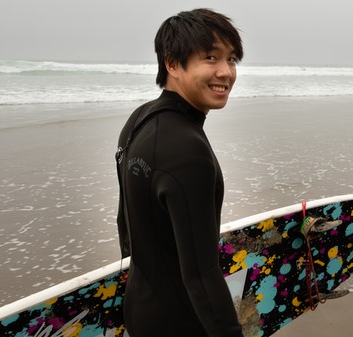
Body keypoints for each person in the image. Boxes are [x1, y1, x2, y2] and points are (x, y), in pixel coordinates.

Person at [114, 8, 244, 337]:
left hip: (141, 308)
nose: (226, 72)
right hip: (182, 323)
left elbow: (125, 224)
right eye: (210, 58)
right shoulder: (187, 151)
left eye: (231, 59)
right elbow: (201, 276)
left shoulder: (139, 120)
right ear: (172, 64)